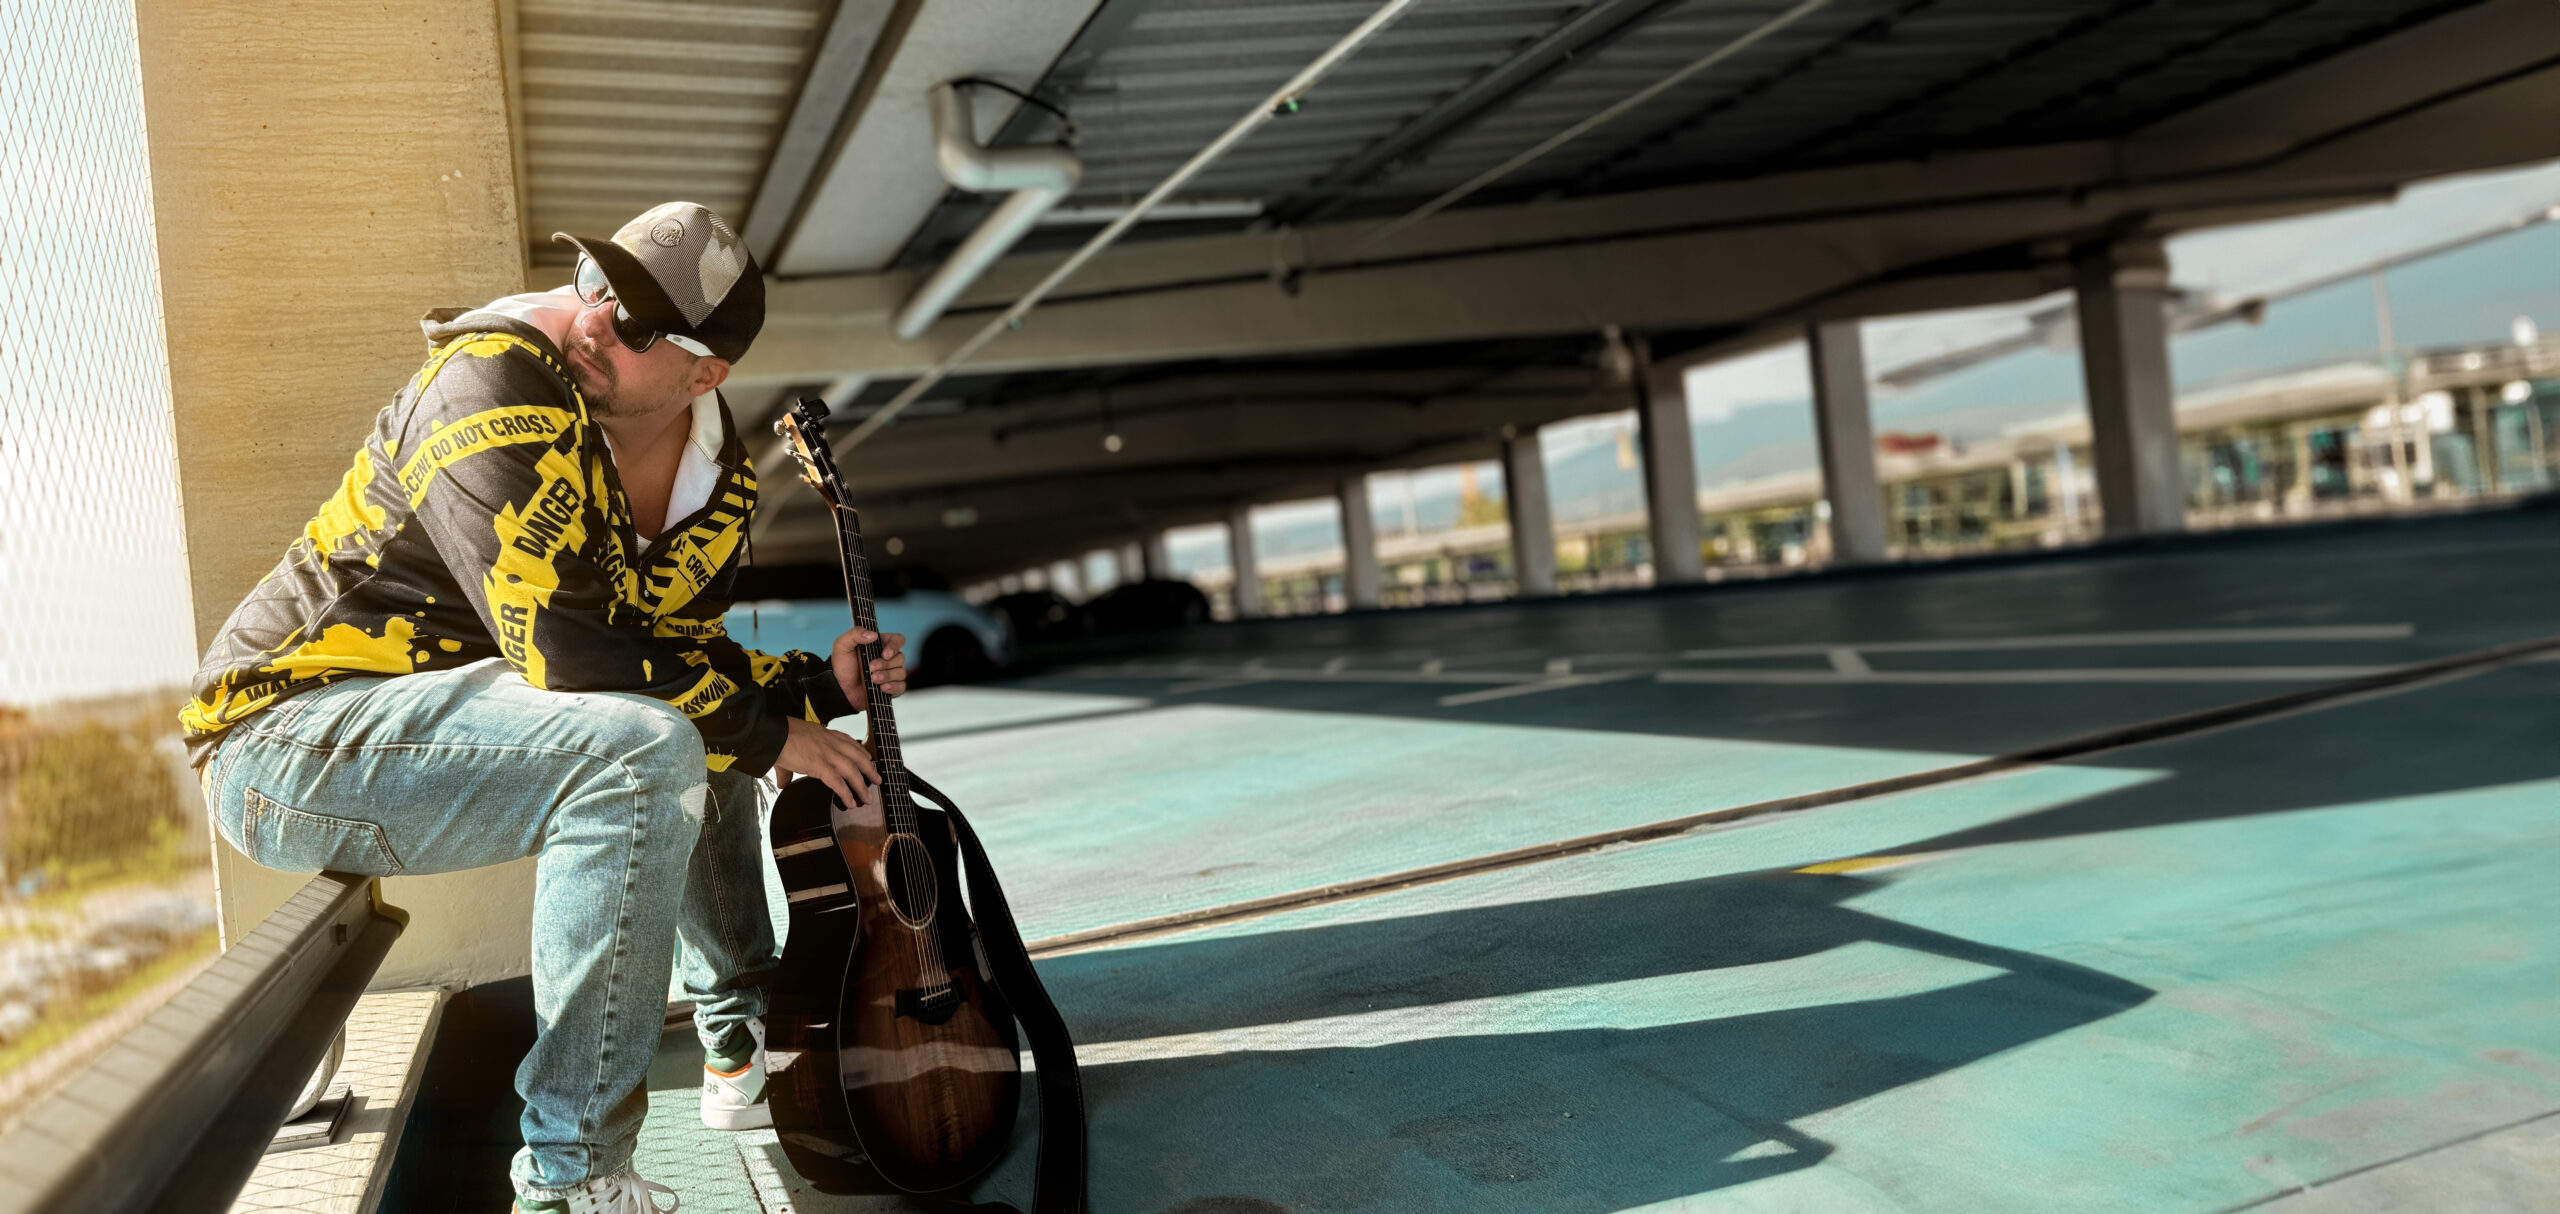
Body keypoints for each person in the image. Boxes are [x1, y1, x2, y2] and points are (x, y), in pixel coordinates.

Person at [181, 202, 893, 1213]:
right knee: (648, 742)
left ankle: (743, 1041)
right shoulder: (489, 385)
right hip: (290, 738)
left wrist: (815, 687)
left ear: (705, 375)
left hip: (442, 723)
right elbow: (567, 649)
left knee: (687, 722)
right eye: (601, 286)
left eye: (642, 322)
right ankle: (571, 1177)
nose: (599, 319)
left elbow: (676, 650)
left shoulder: (713, 480)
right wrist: (771, 731)